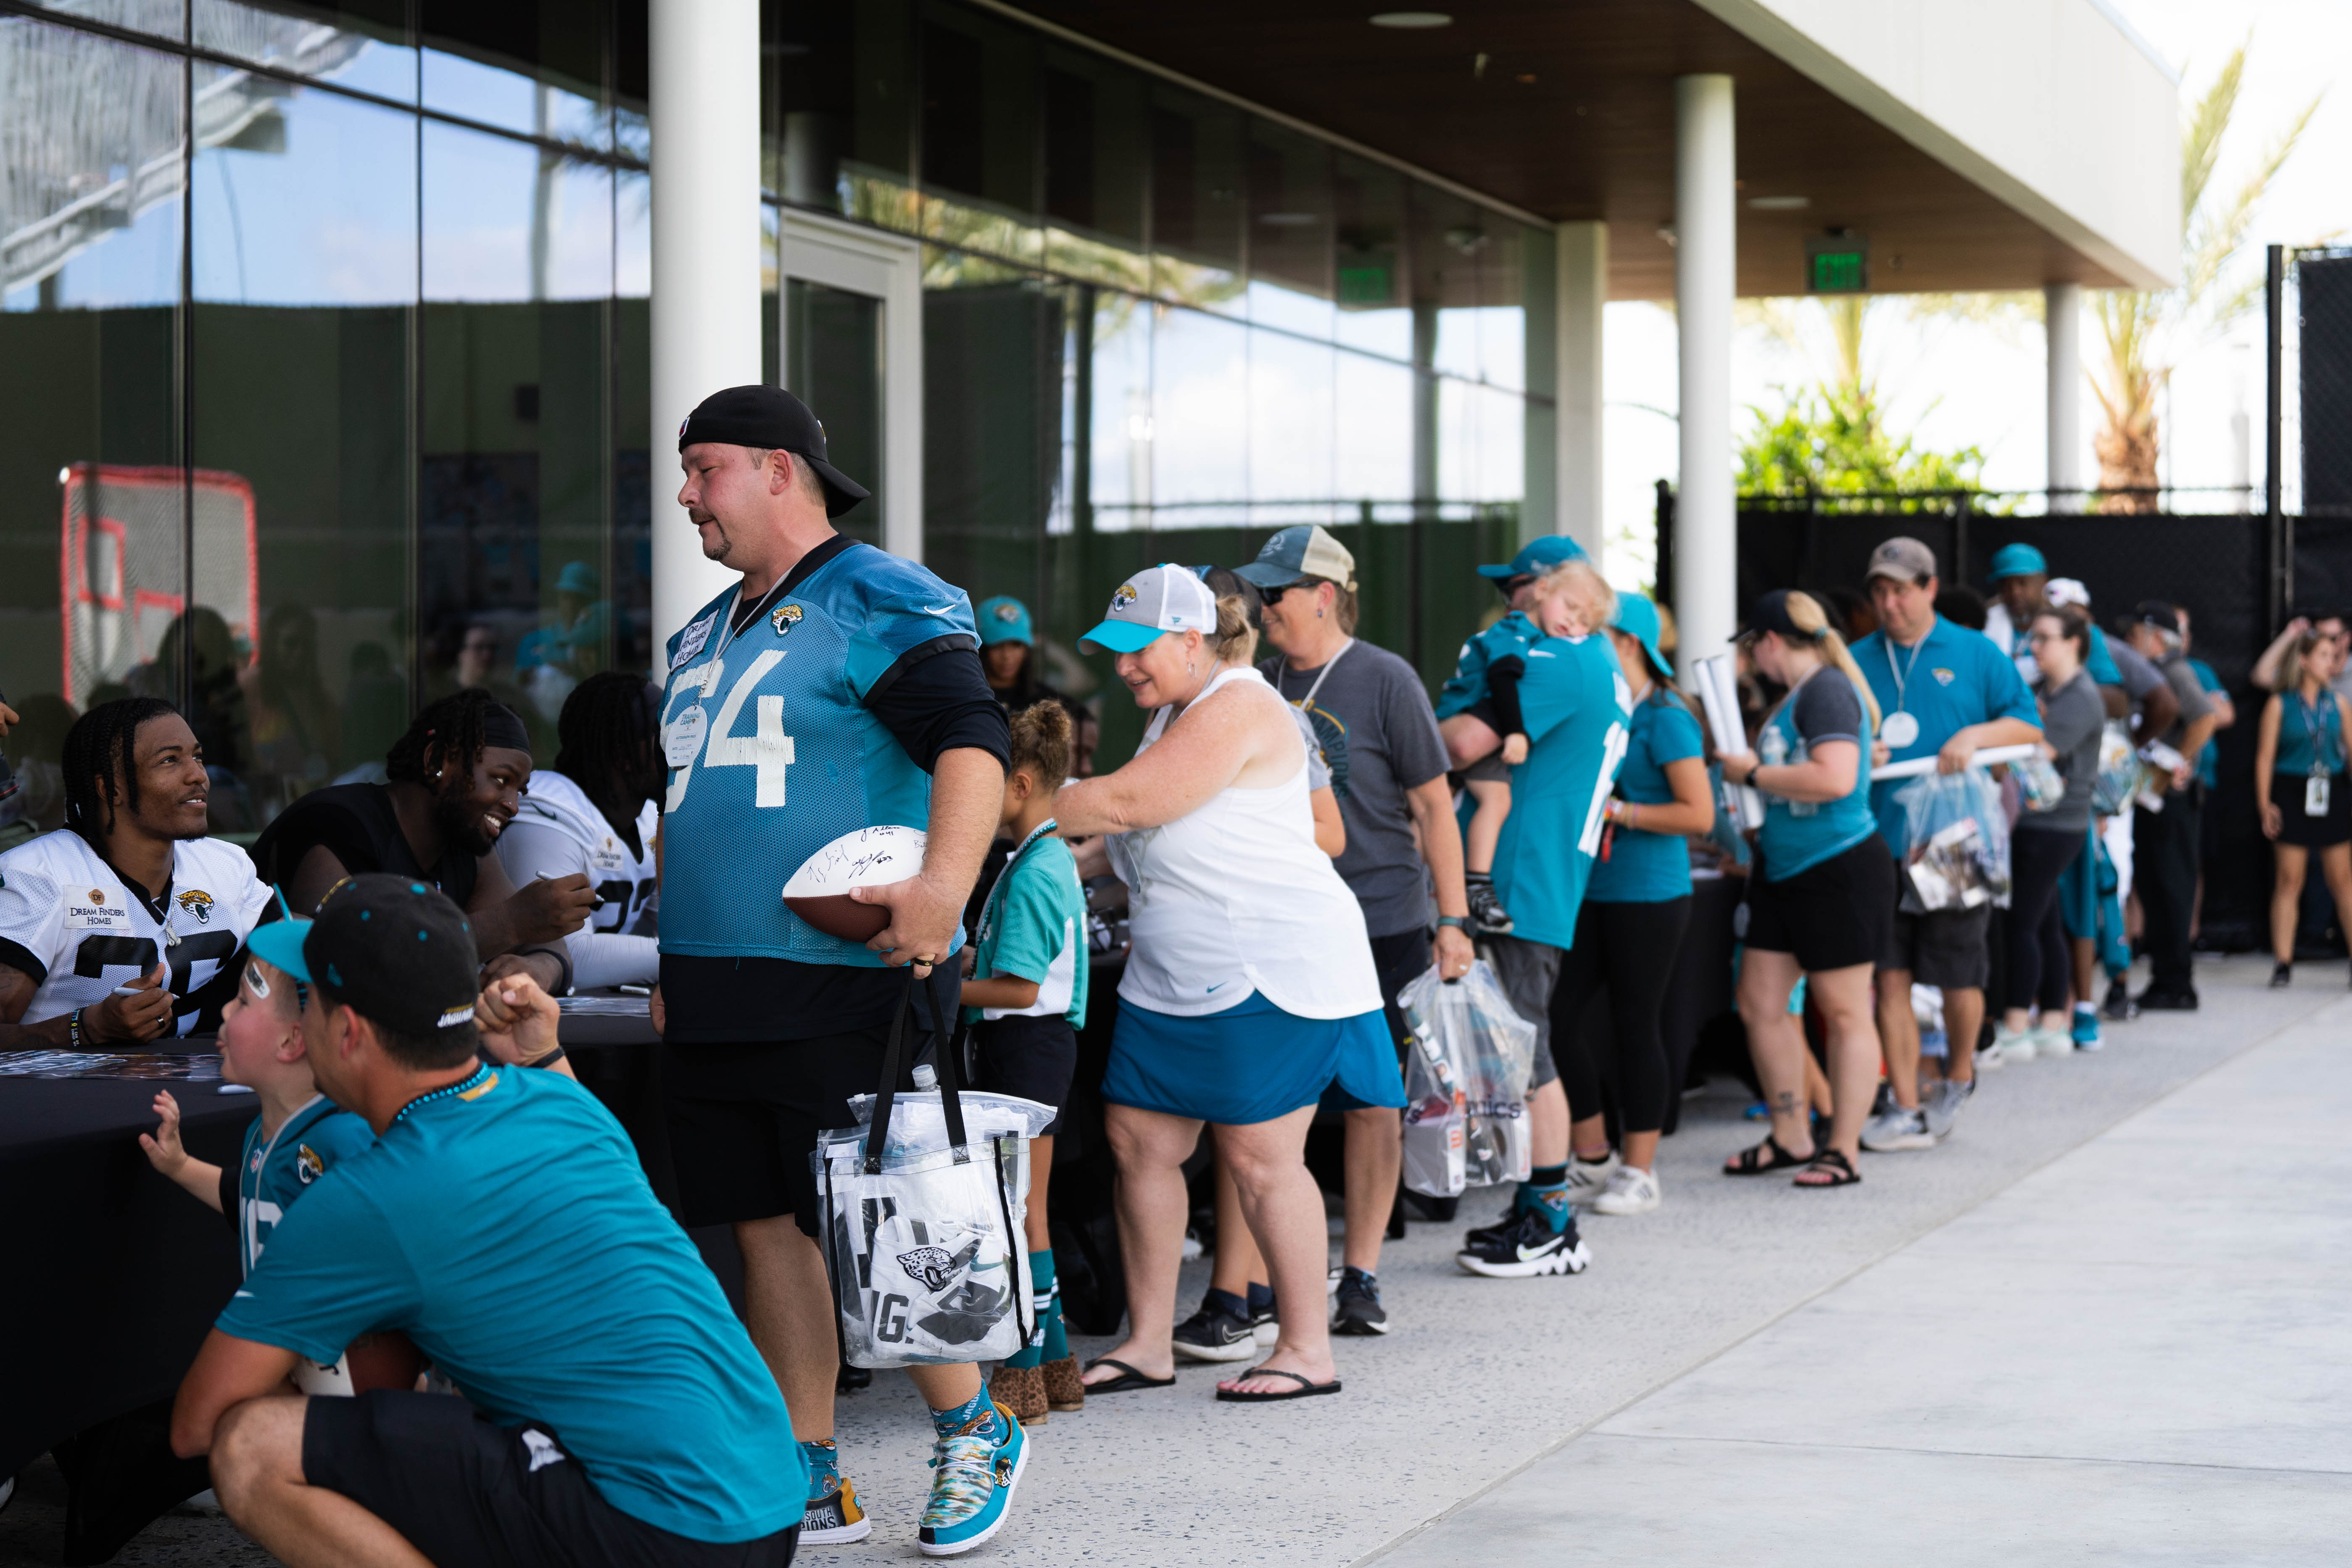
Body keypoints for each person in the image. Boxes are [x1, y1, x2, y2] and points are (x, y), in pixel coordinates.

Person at [167, 875, 803, 1568]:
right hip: (767, 1505)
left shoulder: (366, 1196)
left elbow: (196, 1427)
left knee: (251, 1444)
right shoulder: (560, 1101)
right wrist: (544, 1054)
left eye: (311, 1000)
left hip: (659, 1535)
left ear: (346, 1030)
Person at [652, 385, 1020, 1554]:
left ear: (777, 470)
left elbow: (975, 740)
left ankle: (973, 1428)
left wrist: (943, 890)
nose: (685, 495)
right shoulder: (701, 632)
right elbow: (697, 806)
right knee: (763, 1224)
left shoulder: (877, 592)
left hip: (841, 972)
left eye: (703, 467)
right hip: (718, 980)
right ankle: (810, 1466)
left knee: (879, 1214)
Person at [1052, 564, 1394, 1402]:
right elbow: (1136, 835)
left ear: (1191, 638)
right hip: (1173, 974)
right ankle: (1146, 1339)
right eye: (1116, 651)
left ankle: (1307, 1346)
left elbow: (1131, 803)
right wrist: (1064, 856)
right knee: (1139, 1141)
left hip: (1265, 966)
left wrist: (1012, 800)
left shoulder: (1240, 700)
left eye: (1138, 650)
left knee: (1260, 1156)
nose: (1124, 666)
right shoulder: (1176, 708)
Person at [1236, 523, 1476, 1334]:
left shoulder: (1384, 679)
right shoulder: (1253, 682)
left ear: (1324, 595)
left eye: (1276, 593)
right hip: (1280, 923)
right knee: (1269, 1103)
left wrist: (1454, 919)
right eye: (1260, 593)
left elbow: (1434, 805)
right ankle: (1267, 1281)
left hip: (1382, 919)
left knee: (1376, 1100)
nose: (1262, 607)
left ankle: (1362, 1274)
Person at [1448, 555, 1628, 1275]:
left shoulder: (1561, 655)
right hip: (1536, 874)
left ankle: (1552, 1217)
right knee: (1524, 1043)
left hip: (1522, 877)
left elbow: (1461, 743)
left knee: (1528, 1047)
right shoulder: (1597, 658)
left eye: (1520, 589)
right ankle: (1536, 1201)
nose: (1512, 604)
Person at [1848, 538, 2041, 1153]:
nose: (1889, 602)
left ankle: (1959, 1073)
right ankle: (1905, 1103)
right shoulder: (1855, 659)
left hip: (1952, 839)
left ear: (1930, 588)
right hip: (1877, 840)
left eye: (1901, 589)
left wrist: (1975, 735)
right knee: (1890, 973)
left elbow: (2028, 724)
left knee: (1960, 971)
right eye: (1879, 590)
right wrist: (1861, 751)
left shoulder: (1974, 650)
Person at [1717, 591, 1892, 1189]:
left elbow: (1837, 778)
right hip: (1785, 869)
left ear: (1768, 640)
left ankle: (1842, 1148)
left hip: (1837, 868)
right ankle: (1792, 1133)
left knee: (1843, 1011)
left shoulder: (1826, 689)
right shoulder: (1806, 694)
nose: (1751, 662)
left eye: (1750, 648)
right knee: (1761, 1002)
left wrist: (1753, 775)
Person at [249, 689, 590, 997]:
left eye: (520, 790)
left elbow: (546, 944)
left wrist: (538, 970)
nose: (513, 804)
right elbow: (347, 963)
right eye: (501, 780)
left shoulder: (467, 845)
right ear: (436, 762)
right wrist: (509, 923)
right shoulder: (340, 824)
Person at [1546, 592, 1712, 1216]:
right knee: (1558, 1015)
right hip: (1592, 888)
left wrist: (1620, 811)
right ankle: (1592, 1154)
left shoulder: (1667, 714)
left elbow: (1699, 813)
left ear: (1627, 644)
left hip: (1650, 892)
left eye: (1595, 639)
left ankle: (1639, 1169)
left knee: (1634, 1023)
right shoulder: (1604, 709)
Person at [0, 698, 271, 1046]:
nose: (198, 775)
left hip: (191, 1096)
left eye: (197, 756)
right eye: (170, 760)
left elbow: (299, 955)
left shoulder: (225, 866)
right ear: (111, 788)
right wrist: (85, 1028)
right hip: (61, 1097)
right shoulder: (40, 877)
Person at [962, 701, 1089, 1427]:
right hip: (1027, 1048)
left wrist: (938, 983)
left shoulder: (1037, 867)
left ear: (1017, 783)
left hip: (1028, 1047)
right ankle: (1058, 1366)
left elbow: (1019, 987)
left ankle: (1019, 1372)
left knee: (1020, 1212)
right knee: (1026, 1207)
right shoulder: (1037, 857)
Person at [1435, 535, 1588, 934]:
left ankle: (1472, 885)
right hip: (1462, 714)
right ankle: (1471, 885)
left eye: (1510, 587)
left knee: (1474, 802)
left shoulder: (1544, 644)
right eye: (1570, 609)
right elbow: (1500, 681)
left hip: (1470, 723)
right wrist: (1515, 732)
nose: (1505, 601)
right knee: (1441, 810)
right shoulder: (1515, 630)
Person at [495, 672, 664, 990]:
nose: (677, 750)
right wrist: (692, 958)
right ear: (622, 754)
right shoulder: (548, 813)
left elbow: (674, 928)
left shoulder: (645, 820)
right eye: (663, 736)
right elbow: (570, 956)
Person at [1993, 608, 2104, 1058]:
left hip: (2054, 824)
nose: (2033, 646)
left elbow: (2033, 752)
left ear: (2073, 642)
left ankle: (2018, 1021)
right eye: (2031, 638)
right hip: (2037, 820)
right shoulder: (2046, 690)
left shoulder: (2079, 696)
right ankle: (2053, 1020)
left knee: (2021, 919)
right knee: (2043, 920)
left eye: (2044, 638)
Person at [2122, 602, 2217, 1011]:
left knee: (2172, 887)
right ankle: (2166, 977)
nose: (2128, 642)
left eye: (2134, 635)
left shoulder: (2176, 672)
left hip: (2173, 802)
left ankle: (2178, 982)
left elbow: (2205, 717)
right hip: (2152, 796)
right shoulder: (2155, 672)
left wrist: (2180, 760)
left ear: (2155, 636)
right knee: (2155, 886)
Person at [2254, 623, 2352, 986]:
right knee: (2289, 880)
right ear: (2306, 660)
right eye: (2325, 656)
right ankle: (2283, 962)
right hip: (2292, 791)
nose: (2332, 663)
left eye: (2334, 656)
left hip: (2331, 789)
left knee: (2342, 881)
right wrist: (2265, 804)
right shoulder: (2280, 704)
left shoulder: (2338, 703)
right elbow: (2264, 758)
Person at [1982, 541, 2048, 683]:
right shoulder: (1985, 622)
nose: (2014, 593)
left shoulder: (2072, 627)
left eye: (2022, 583)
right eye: (2005, 585)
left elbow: (2107, 691)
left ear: (2043, 582)